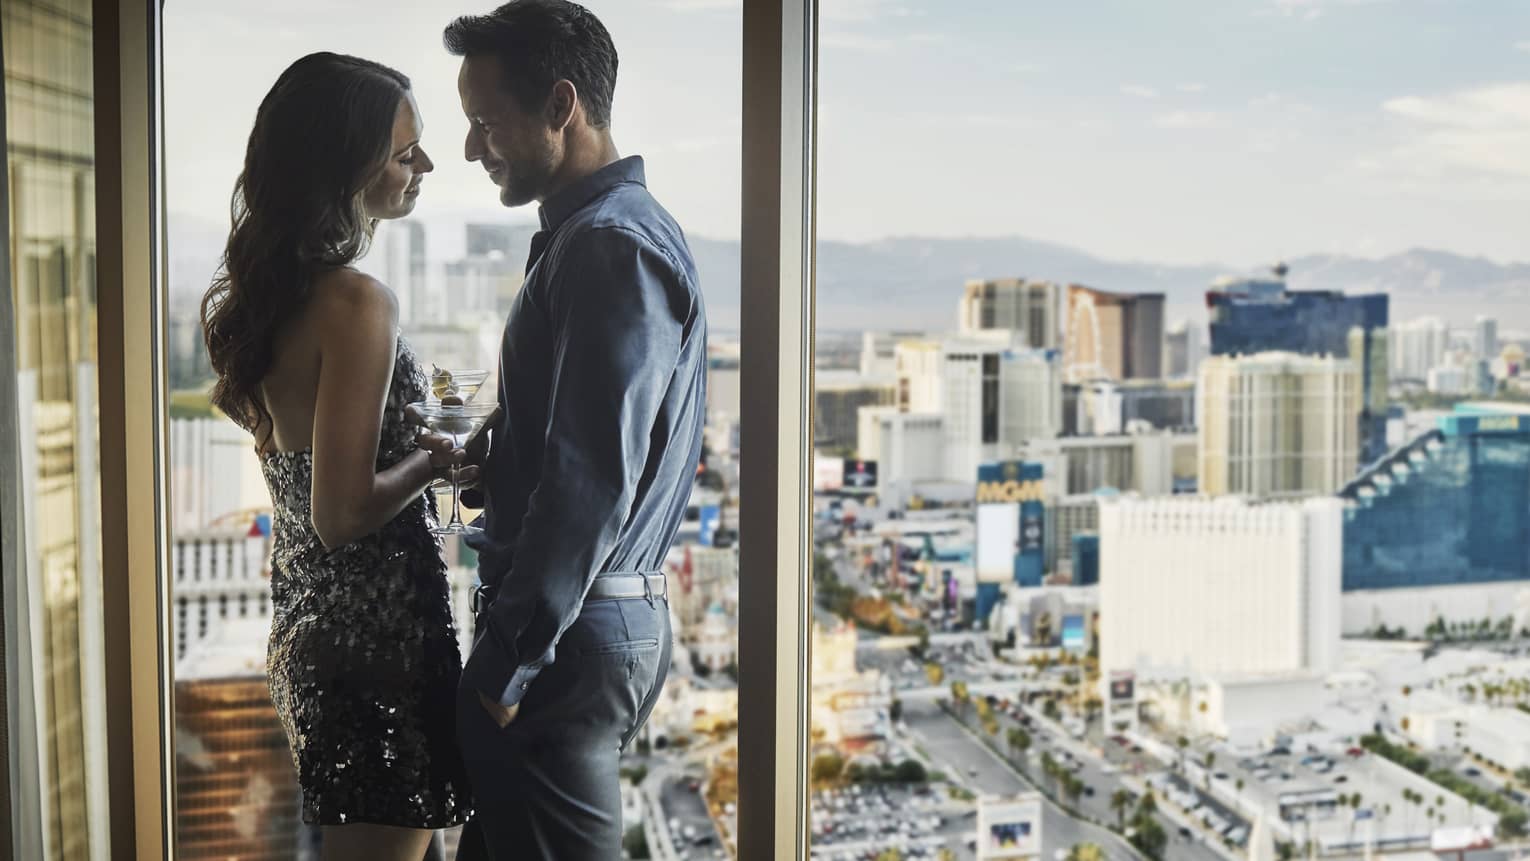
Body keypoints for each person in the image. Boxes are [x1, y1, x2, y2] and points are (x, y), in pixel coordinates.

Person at [429, 2, 707, 858]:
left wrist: (507, 664)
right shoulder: (585, 238)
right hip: (578, 626)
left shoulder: (608, 247)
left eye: (485, 122)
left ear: (561, 105)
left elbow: (593, 481)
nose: (472, 148)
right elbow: (584, 433)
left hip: (568, 636)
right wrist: (500, 455)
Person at [200, 52, 472, 861]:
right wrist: (437, 457)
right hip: (380, 649)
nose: (426, 164)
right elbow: (340, 510)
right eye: (403, 152)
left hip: (315, 640)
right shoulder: (357, 302)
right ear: (343, 165)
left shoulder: (276, 302)